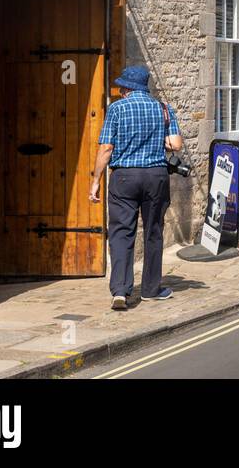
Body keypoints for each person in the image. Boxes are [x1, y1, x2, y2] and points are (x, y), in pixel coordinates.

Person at [89, 65, 181, 310]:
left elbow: (106, 149)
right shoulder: (163, 109)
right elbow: (176, 144)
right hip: (155, 176)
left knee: (121, 233)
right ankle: (151, 289)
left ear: (127, 88)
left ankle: (120, 291)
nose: (119, 91)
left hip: (124, 178)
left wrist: (96, 180)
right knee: (153, 231)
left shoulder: (116, 109)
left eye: (121, 87)